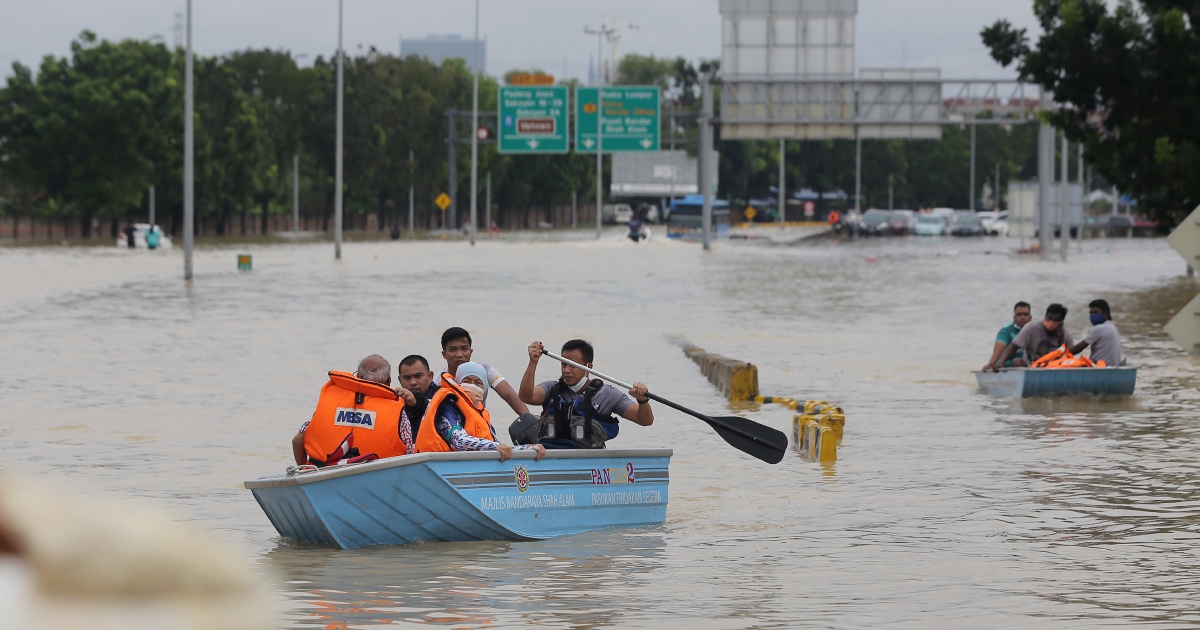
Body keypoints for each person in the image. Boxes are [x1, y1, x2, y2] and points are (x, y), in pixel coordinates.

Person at [518, 340, 654, 449]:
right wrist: (533, 362)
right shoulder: (551, 388)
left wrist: (642, 400)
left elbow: (645, 420)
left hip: (589, 461)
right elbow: (526, 396)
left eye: (573, 365)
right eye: (563, 365)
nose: (566, 370)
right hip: (551, 457)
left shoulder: (608, 394)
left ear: (588, 367)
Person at [290, 354, 415, 467]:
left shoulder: (331, 400)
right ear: (388, 381)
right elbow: (409, 453)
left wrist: (305, 469)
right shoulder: (397, 410)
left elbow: (297, 441)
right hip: (374, 477)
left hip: (322, 473)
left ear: (358, 376)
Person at [415, 361, 546, 460]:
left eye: (478, 382)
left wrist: (528, 448)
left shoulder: (481, 414)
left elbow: (499, 445)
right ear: (458, 383)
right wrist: (494, 447)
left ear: (484, 389)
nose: (472, 385)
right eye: (466, 380)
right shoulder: (447, 405)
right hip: (439, 465)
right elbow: (458, 441)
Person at [435, 327, 530, 417]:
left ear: (470, 351)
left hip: (479, 425)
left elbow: (509, 394)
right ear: (444, 354)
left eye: (464, 349)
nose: (459, 354)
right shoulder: (438, 381)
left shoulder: (485, 369)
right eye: (453, 350)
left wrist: (529, 419)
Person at [987, 303, 1075, 371]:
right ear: (1045, 317)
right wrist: (1001, 363)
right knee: (1016, 361)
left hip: (1055, 368)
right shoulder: (1032, 328)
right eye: (1049, 318)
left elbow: (1067, 360)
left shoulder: (1067, 336)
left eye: (1056, 320)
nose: (1051, 322)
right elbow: (1013, 346)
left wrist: (1060, 338)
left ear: (1061, 322)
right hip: (1030, 368)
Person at [1069, 299, 1124, 366]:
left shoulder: (1099, 328)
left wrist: (1060, 355)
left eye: (1095, 312)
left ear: (1105, 313)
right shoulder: (1112, 327)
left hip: (1101, 366)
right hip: (1112, 366)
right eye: (1091, 313)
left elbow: (1078, 348)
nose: (1092, 315)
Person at [983, 301, 1032, 371]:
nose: (1023, 317)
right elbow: (998, 351)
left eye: (1026, 314)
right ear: (1014, 317)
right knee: (1017, 361)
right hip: (1008, 365)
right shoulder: (1006, 331)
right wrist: (991, 364)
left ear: (1030, 317)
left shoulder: (1035, 330)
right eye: (1019, 314)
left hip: (1028, 365)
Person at [397, 354, 437, 439]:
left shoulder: (444, 398)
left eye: (418, 376)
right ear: (400, 380)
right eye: (407, 378)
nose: (413, 382)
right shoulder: (396, 403)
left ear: (430, 376)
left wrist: (416, 404)